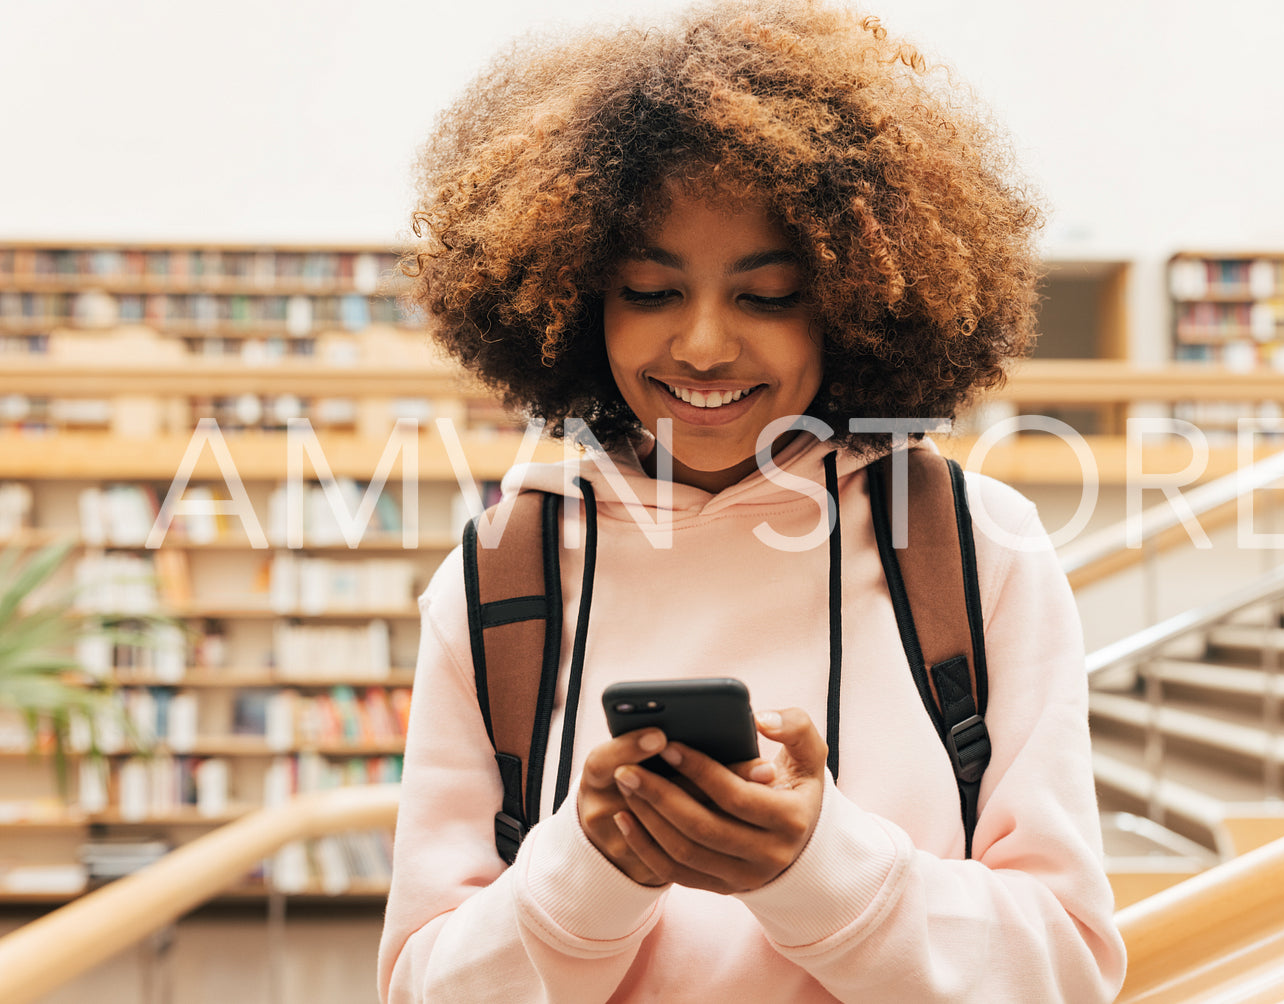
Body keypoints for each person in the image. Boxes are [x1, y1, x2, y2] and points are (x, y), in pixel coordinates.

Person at [377, 2, 1127, 1000]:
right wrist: (594, 867)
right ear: (576, 302)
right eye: (648, 291)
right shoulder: (498, 575)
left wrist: (817, 865)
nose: (699, 345)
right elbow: (424, 986)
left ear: (854, 299)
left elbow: (1065, 970)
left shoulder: (973, 548)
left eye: (766, 295)